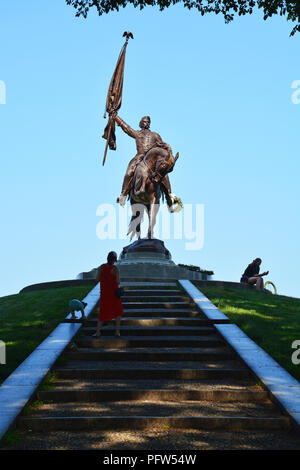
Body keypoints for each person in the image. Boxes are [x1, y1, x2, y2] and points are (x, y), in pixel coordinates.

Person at [112, 113, 173, 206]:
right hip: (139, 157)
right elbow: (126, 127)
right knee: (129, 172)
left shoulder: (155, 135)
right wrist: (115, 117)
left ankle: (169, 195)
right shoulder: (137, 134)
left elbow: (162, 146)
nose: (145, 123)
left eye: (147, 122)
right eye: (144, 122)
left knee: (163, 173)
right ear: (141, 124)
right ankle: (123, 195)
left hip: (153, 159)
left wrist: (168, 152)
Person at [93, 251, 124, 337]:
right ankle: (117, 332)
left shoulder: (101, 267)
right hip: (114, 294)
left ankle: (98, 332)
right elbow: (118, 282)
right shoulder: (115, 269)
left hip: (104, 294)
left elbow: (97, 279)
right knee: (117, 312)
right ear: (114, 260)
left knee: (102, 312)